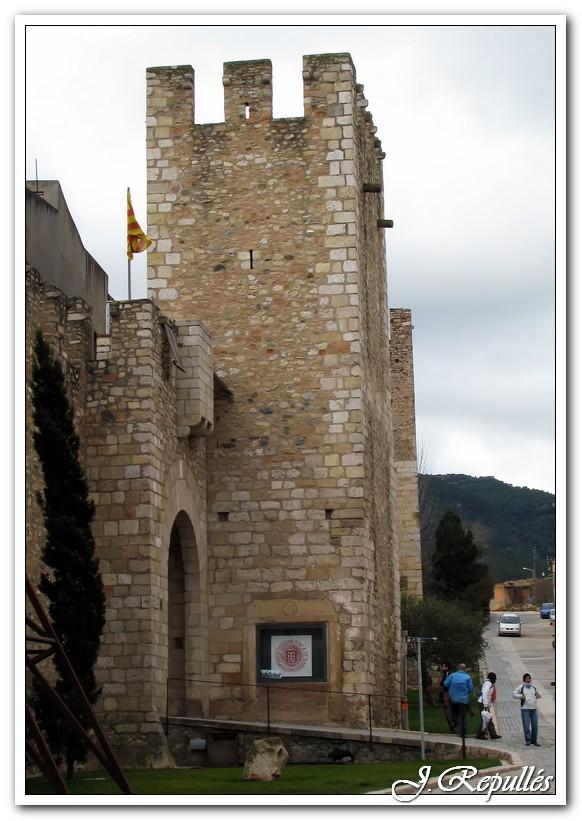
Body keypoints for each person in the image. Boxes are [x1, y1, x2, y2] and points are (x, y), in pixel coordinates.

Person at [443, 662, 474, 736]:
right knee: (463, 717)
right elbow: (470, 689)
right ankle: (463, 733)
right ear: (464, 669)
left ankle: (456, 728)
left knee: (454, 715)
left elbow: (445, 684)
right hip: (463, 700)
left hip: (453, 699)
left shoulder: (452, 676)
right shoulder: (467, 677)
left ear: (458, 668)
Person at [513, 673, 542, 746]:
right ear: (524, 679)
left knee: (535, 725)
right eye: (526, 678)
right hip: (525, 709)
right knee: (526, 726)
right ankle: (528, 740)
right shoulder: (521, 687)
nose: (528, 680)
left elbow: (540, 694)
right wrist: (521, 696)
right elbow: (514, 694)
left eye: (529, 678)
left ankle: (534, 740)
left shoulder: (534, 687)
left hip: (534, 709)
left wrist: (537, 696)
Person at [476, 672, 502, 739]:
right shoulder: (488, 684)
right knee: (485, 719)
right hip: (483, 703)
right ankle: (480, 734)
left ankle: (492, 734)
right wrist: (485, 704)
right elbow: (485, 693)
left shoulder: (489, 683)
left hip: (484, 703)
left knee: (488, 718)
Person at [439, 661, 455, 732]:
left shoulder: (449, 675)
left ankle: (453, 726)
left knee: (448, 712)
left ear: (447, 667)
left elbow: (446, 685)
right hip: (445, 695)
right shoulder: (445, 674)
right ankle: (452, 727)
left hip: (448, 695)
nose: (441, 667)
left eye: (443, 666)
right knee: (447, 713)